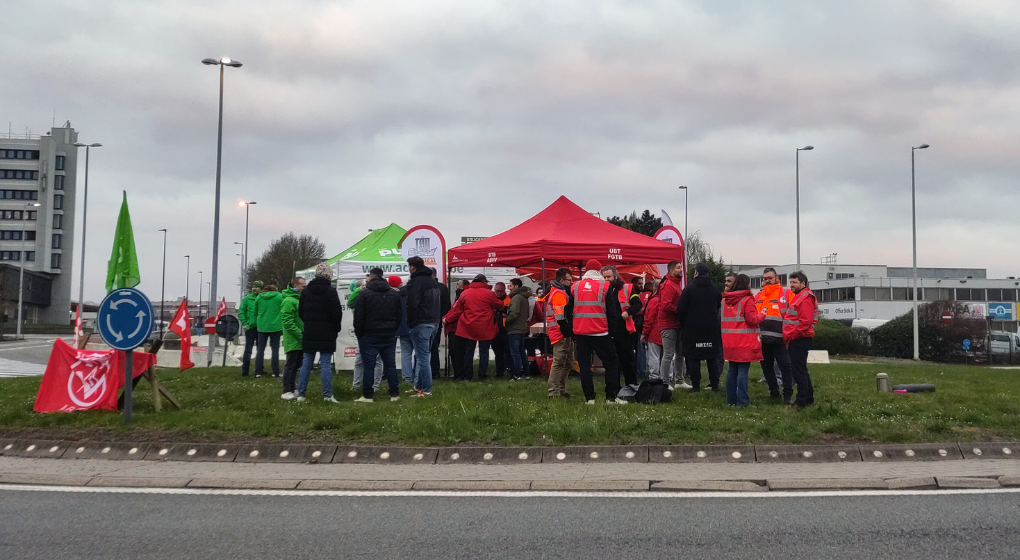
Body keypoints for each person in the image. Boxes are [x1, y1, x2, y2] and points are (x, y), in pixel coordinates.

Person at [572, 259, 626, 405]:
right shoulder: (604, 285)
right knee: (611, 364)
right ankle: (611, 397)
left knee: (584, 366)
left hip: (581, 332)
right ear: (600, 271)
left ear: (586, 270)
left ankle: (590, 398)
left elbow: (569, 310)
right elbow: (611, 311)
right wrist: (612, 331)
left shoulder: (575, 286)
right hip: (600, 331)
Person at [353, 267, 403, 402]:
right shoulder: (394, 294)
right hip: (389, 334)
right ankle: (394, 394)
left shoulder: (365, 294)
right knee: (390, 365)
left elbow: (358, 317)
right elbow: (399, 315)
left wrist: (360, 335)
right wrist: (393, 329)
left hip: (369, 334)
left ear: (372, 276)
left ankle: (368, 395)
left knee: (369, 365)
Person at [296, 263, 344, 402]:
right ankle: (327, 395)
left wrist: (308, 323)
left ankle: (301, 394)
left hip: (310, 331)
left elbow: (301, 312)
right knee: (325, 364)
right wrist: (336, 328)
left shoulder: (305, 291)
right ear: (329, 275)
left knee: (306, 363)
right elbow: (337, 313)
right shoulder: (331, 291)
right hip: (327, 332)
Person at [444, 274, 503, 381]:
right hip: (485, 327)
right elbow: (499, 305)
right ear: (484, 282)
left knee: (468, 352)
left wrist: (446, 319)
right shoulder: (489, 293)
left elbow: (457, 310)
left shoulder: (465, 293)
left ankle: (467, 376)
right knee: (484, 352)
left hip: (468, 327)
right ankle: (482, 376)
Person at [677, 263, 723, 392]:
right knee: (712, 356)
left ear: (696, 273)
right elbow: (718, 305)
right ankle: (715, 384)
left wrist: (684, 323)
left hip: (693, 328)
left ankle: (696, 385)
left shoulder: (689, 288)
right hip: (711, 328)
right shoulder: (715, 288)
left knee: (693, 357)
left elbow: (681, 309)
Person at [722, 274, 766, 407]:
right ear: (747, 284)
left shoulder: (724, 300)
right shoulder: (747, 300)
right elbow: (752, 320)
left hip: (729, 341)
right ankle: (743, 401)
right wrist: (763, 314)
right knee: (742, 371)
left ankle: (731, 400)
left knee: (732, 371)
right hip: (744, 342)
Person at [755, 267, 795, 403]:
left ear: (777, 279)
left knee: (786, 367)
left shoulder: (786, 293)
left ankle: (788, 395)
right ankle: (774, 393)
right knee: (767, 368)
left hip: (781, 340)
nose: (767, 281)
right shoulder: (758, 296)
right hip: (763, 340)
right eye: (765, 279)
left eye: (770, 278)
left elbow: (795, 313)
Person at [404, 257, 441, 397]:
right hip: (434, 322)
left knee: (423, 357)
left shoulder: (416, 282)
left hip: (421, 323)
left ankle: (426, 389)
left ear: (412, 267)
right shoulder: (432, 281)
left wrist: (411, 322)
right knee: (424, 356)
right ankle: (419, 386)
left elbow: (412, 303)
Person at [783, 271, 817, 408]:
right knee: (801, 369)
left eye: (794, 282)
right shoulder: (800, 296)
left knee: (798, 371)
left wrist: (793, 335)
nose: (791, 285)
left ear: (803, 283)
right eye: (790, 282)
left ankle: (801, 401)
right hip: (797, 337)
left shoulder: (805, 298)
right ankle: (808, 397)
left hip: (799, 338)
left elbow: (805, 322)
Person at [602, 265, 640, 388]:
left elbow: (638, 304)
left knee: (627, 360)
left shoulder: (627, 288)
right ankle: (615, 387)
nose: (607, 279)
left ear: (616, 276)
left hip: (624, 329)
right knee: (613, 361)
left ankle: (632, 385)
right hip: (608, 329)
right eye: (604, 277)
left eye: (609, 277)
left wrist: (628, 312)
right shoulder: (602, 289)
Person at [657, 261, 689, 389]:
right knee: (668, 354)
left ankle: (679, 381)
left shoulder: (676, 284)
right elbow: (665, 305)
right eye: (678, 267)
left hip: (677, 323)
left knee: (680, 353)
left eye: (681, 267)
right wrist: (680, 310)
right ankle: (665, 382)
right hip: (668, 324)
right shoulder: (668, 285)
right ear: (671, 270)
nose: (681, 270)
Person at [349, 278, 384, 392]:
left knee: (377, 359)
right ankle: (356, 385)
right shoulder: (359, 297)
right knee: (359, 360)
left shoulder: (377, 296)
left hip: (376, 330)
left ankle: (375, 386)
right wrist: (360, 289)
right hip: (364, 333)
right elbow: (349, 303)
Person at [545, 267, 574, 398]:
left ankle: (560, 389)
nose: (571, 282)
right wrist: (566, 331)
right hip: (559, 333)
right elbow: (560, 316)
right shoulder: (559, 294)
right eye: (569, 280)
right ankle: (554, 392)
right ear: (562, 280)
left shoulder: (558, 292)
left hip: (560, 332)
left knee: (568, 362)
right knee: (559, 362)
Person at [280, 276, 306, 400]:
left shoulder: (299, 299)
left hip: (300, 338)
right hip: (293, 338)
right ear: (295, 286)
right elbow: (288, 322)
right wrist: (299, 334)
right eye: (302, 286)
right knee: (290, 364)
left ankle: (292, 387)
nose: (304, 288)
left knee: (296, 365)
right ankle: (286, 389)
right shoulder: (288, 301)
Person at [253, 284, 284, 378]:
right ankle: (275, 371)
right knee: (275, 350)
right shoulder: (279, 297)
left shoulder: (259, 297)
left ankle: (258, 371)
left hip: (262, 326)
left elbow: (255, 311)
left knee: (260, 349)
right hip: (276, 326)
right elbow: (283, 309)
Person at [505, 280, 532, 380]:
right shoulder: (524, 297)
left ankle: (517, 374)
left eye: (511, 285)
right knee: (521, 352)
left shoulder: (516, 298)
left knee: (515, 353)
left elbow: (514, 313)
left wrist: (505, 322)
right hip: (522, 328)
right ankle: (526, 373)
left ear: (516, 286)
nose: (509, 287)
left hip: (514, 329)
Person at [429, 267, 451, 381]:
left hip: (425, 321)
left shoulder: (423, 287)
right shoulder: (442, 287)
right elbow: (447, 306)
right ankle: (435, 373)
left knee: (423, 349)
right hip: (437, 322)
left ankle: (424, 373)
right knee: (434, 348)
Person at [392, 276, 414, 385]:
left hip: (403, 327)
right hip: (416, 326)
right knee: (420, 354)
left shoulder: (398, 295)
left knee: (406, 354)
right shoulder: (416, 294)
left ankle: (407, 378)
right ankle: (419, 377)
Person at [642, 280, 664, 382]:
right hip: (668, 332)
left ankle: (654, 377)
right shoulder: (667, 299)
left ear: (654, 288)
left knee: (654, 356)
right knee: (667, 357)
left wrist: (644, 333)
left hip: (654, 332)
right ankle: (666, 377)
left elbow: (648, 318)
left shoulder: (653, 301)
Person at [238, 281, 262, 377]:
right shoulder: (247, 299)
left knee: (260, 350)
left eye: (257, 287)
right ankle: (245, 370)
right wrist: (245, 323)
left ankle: (259, 370)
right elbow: (241, 312)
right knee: (248, 349)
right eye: (254, 286)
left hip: (261, 328)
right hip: (250, 328)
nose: (254, 288)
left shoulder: (262, 298)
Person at [491, 281, 512, 378]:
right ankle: (499, 372)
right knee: (498, 353)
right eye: (497, 291)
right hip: (495, 330)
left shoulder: (509, 299)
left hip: (506, 330)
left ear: (504, 290)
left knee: (508, 352)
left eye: (501, 291)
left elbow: (511, 311)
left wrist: (501, 309)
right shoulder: (491, 299)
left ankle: (511, 371)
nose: (498, 293)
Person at [633, 277, 649, 378]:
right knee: (635, 350)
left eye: (641, 283)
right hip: (631, 326)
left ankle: (641, 373)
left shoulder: (644, 296)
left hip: (640, 326)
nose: (641, 285)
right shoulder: (631, 295)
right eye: (639, 283)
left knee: (641, 350)